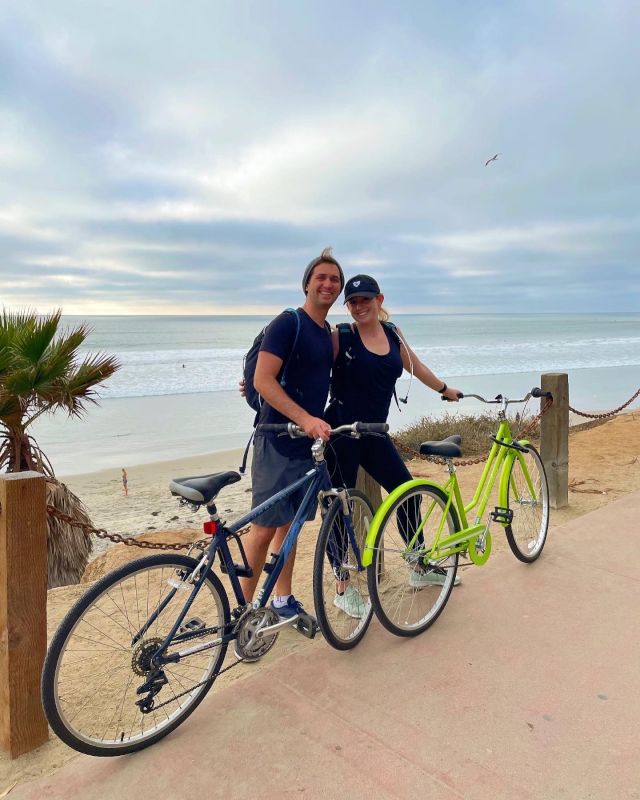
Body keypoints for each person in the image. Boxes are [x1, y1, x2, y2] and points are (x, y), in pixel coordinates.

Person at [324, 274, 464, 618]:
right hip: (340, 432)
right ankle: (342, 588)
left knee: (407, 492)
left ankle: (418, 566)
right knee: (339, 510)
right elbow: (309, 370)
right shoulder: (341, 336)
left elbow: (414, 365)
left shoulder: (392, 333)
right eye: (353, 302)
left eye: (365, 300)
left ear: (379, 300)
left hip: (375, 434)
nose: (359, 307)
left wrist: (444, 389)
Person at [239, 248, 345, 625]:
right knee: (264, 527)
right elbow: (262, 380)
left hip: (306, 446)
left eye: (334, 279)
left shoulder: (328, 334)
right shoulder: (288, 322)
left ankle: (282, 599)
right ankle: (243, 611)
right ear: (307, 284)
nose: (328, 284)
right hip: (276, 440)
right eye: (321, 277)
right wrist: (306, 419)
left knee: (291, 525)